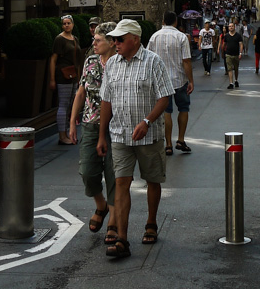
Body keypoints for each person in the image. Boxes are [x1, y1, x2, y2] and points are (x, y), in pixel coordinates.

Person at [97, 19, 174, 259]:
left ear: (135, 40)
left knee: (152, 179)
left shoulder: (153, 61)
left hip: (149, 135)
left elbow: (164, 97)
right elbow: (106, 100)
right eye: (114, 39)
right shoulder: (112, 64)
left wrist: (147, 121)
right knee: (121, 182)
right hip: (120, 134)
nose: (115, 43)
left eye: (120, 39)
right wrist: (102, 135)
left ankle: (151, 222)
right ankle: (122, 238)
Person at [69, 22, 117, 243]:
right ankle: (101, 205)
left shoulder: (120, 63)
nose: (94, 43)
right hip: (90, 123)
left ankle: (114, 221)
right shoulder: (90, 61)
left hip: (116, 126)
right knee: (87, 171)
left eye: (98, 40)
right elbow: (81, 92)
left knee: (114, 174)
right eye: (94, 39)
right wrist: (72, 122)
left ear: (111, 42)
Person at [147, 10, 194, 155]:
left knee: (166, 112)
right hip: (179, 79)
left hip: (161, 80)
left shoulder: (154, 37)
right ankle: (180, 139)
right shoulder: (181, 37)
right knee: (183, 108)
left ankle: (168, 144)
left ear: (163, 21)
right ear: (176, 22)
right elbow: (186, 60)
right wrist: (191, 80)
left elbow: (148, 58)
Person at [49, 14, 80, 144]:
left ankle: (67, 133)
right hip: (63, 75)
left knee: (70, 105)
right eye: (64, 23)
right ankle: (62, 136)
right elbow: (53, 59)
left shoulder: (75, 39)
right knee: (63, 104)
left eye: (68, 23)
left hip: (73, 75)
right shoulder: (59, 39)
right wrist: (52, 79)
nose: (66, 25)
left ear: (72, 24)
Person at [220, 21, 243, 89]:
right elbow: (224, 44)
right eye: (229, 26)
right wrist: (222, 52)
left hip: (236, 54)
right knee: (229, 69)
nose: (231, 27)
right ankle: (231, 83)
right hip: (228, 54)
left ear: (234, 27)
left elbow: (241, 45)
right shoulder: (226, 36)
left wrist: (240, 53)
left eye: (232, 26)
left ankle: (236, 80)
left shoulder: (238, 35)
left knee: (236, 68)